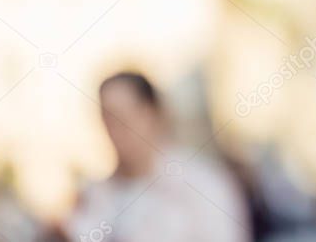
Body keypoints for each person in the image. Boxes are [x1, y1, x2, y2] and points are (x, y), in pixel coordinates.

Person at [62, 72, 250, 242]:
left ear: (152, 113)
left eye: (125, 117)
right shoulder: (94, 198)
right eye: (109, 119)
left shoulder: (203, 185)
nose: (118, 131)